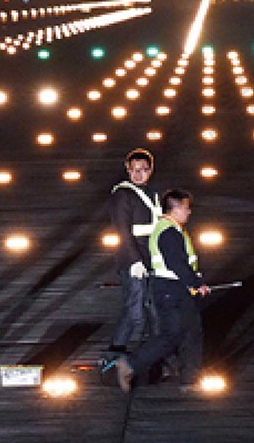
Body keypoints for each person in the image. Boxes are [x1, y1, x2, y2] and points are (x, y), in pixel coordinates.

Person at [116, 188, 210, 393]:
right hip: (171, 289)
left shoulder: (171, 229)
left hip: (174, 288)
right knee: (171, 334)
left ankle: (190, 378)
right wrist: (195, 284)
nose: (189, 212)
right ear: (175, 209)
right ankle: (131, 364)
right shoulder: (169, 232)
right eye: (186, 208)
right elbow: (176, 263)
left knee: (191, 332)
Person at [107, 148, 161, 354]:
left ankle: (155, 350)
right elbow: (122, 231)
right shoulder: (122, 195)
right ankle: (116, 349)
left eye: (143, 170)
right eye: (134, 170)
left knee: (154, 308)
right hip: (133, 261)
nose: (139, 174)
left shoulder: (153, 194)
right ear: (128, 170)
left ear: (150, 170)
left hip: (152, 258)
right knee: (134, 310)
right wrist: (134, 261)